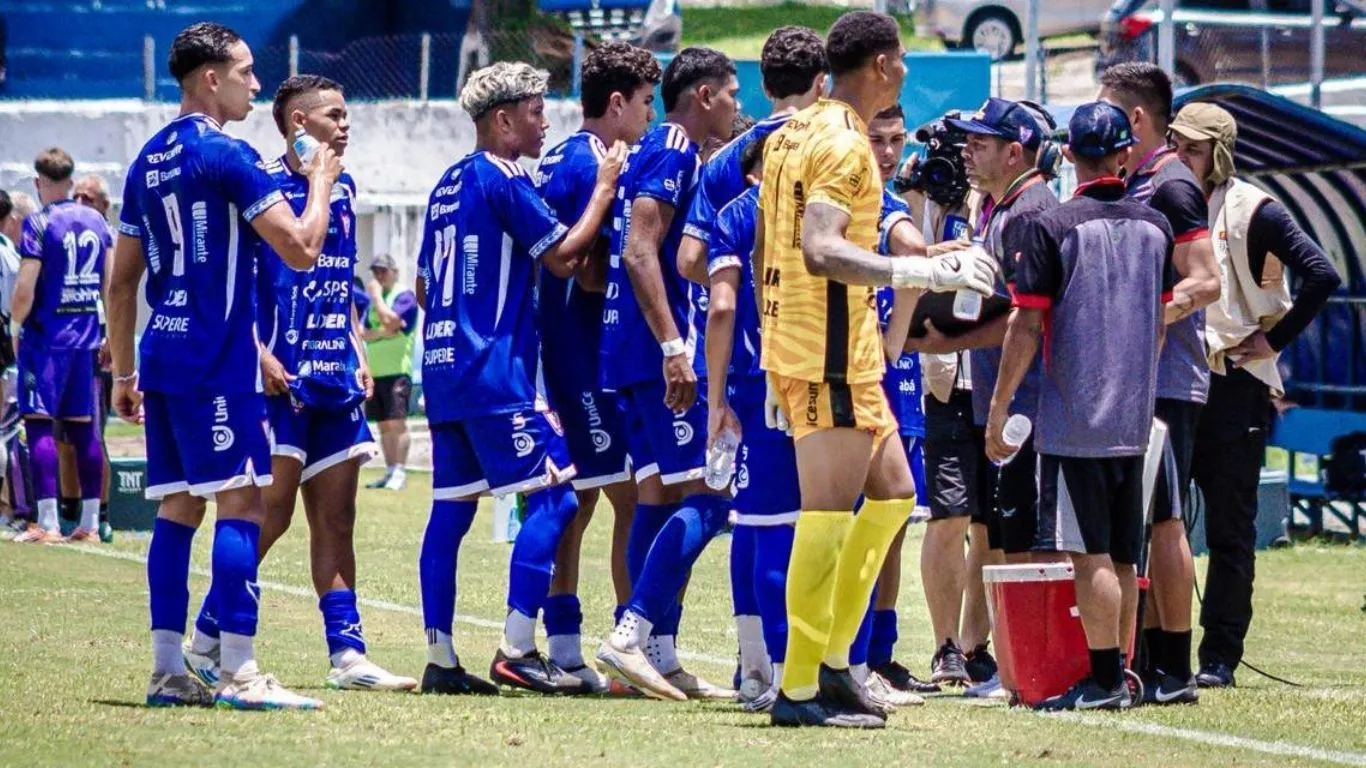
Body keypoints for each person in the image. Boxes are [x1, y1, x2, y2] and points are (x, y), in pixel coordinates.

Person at [756, 11, 992, 728]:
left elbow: (776, 232)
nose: (909, 71)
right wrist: (923, 267)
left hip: (835, 349)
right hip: (823, 352)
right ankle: (797, 688)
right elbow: (821, 249)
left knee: (893, 495)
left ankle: (834, 664)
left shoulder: (797, 128)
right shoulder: (841, 143)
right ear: (884, 64)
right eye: (904, 60)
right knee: (825, 517)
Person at [108, 21, 344, 710]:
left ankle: (167, 669)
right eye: (244, 71)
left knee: (178, 508)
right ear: (210, 77)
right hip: (218, 357)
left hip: (164, 355)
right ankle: (239, 668)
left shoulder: (145, 160)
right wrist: (322, 180)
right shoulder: (228, 155)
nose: (255, 83)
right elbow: (302, 248)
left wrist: (124, 373)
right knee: (242, 500)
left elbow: (122, 283)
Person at [183, 74, 416, 693]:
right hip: (277, 378)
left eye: (346, 114)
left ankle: (349, 655)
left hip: (334, 374)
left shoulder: (343, 189)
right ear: (298, 124)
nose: (346, 124)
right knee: (272, 515)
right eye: (334, 115)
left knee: (338, 518)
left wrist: (357, 347)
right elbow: (232, 280)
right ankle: (209, 637)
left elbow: (334, 279)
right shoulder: (258, 182)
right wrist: (256, 351)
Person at [416, 61, 626, 696]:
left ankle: (441, 657)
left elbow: (426, 286)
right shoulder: (503, 175)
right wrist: (604, 190)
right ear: (502, 120)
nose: (546, 121)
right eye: (536, 110)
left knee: (450, 511)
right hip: (494, 372)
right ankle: (514, 645)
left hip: (443, 366)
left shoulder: (447, 182)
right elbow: (564, 259)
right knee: (560, 496)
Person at [986, 101, 1175, 711]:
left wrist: (1000, 407)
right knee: (1123, 553)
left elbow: (1026, 323)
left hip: (1075, 420)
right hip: (1134, 416)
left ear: (1066, 155)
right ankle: (1121, 674)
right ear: (1125, 153)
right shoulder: (1157, 226)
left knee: (1086, 552)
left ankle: (1102, 682)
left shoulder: (1054, 226)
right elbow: (1161, 318)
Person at [676, 25, 827, 705]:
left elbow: (706, 286)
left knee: (760, 521)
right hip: (816, 370)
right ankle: (815, 668)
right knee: (809, 522)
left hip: (752, 375)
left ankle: (762, 669)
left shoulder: (735, 189)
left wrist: (714, 393)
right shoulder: (830, 173)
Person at [1169, 103, 1341, 689]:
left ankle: (1219, 655)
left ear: (1218, 154)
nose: (1180, 158)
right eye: (1176, 145)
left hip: (1235, 383)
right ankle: (1156, 650)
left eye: (1192, 149)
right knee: (1160, 519)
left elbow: (1322, 275)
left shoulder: (1253, 208)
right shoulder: (1164, 198)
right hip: (1175, 377)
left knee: (1229, 527)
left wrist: (1271, 341)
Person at [592, 46, 740, 703]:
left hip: (629, 352)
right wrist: (675, 345)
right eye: (734, 93)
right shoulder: (675, 145)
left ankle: (656, 653)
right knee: (711, 495)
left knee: (657, 496)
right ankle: (632, 633)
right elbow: (637, 247)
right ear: (704, 94)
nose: (740, 106)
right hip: (656, 357)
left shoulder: (664, 146)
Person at [533, 41, 661, 692]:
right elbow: (583, 271)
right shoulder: (590, 167)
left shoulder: (563, 158)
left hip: (566, 354)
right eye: (644, 103)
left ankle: (561, 643)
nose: (648, 115)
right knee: (628, 500)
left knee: (579, 502)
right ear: (616, 103)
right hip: (581, 356)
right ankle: (622, 649)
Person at [1099, 62, 1221, 703]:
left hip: (1169, 379)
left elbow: (1206, 281)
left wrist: (1150, 317)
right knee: (1143, 522)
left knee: (1167, 520)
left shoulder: (1172, 183)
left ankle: (1174, 665)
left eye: (1107, 109)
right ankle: (1145, 657)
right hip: (1135, 379)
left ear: (1137, 119)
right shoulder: (1140, 179)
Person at [857, 103, 942, 703]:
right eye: (876, 139)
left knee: (893, 522)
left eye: (895, 140)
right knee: (857, 520)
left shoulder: (896, 207)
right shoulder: (862, 205)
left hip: (902, 382)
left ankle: (880, 652)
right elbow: (913, 259)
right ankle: (853, 652)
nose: (887, 152)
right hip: (861, 377)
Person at [10, 148, 110, 545]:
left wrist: (14, 328)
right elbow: (109, 280)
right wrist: (108, 332)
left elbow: (25, 287)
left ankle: (48, 522)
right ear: (71, 180)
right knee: (84, 430)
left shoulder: (38, 223)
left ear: (39, 182)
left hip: (47, 339)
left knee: (38, 423)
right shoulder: (96, 220)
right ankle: (89, 523)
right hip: (85, 338)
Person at [360, 252, 418, 490]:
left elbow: (394, 322)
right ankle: (390, 469)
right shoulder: (375, 303)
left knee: (397, 423)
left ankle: (401, 471)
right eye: (375, 271)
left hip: (397, 371)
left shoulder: (404, 296)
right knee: (383, 425)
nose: (379, 276)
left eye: (383, 271)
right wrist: (385, 331)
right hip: (377, 371)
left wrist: (376, 299)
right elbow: (364, 332)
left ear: (394, 271)